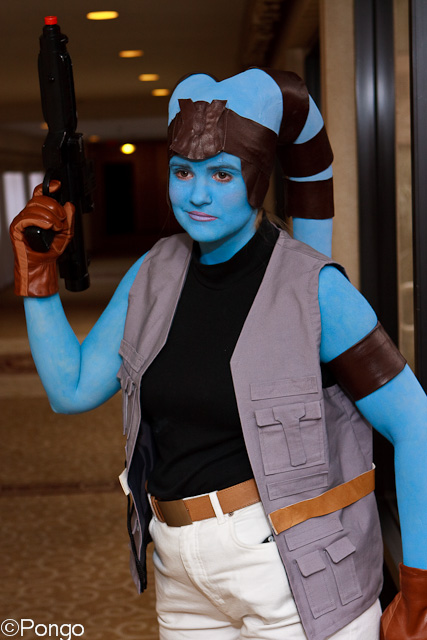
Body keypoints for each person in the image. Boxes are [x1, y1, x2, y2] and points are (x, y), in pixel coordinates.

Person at [9, 68, 427, 640]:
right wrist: (38, 276)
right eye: (182, 171)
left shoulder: (317, 289)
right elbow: (71, 390)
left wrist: (419, 588)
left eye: (222, 174)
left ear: (257, 181)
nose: (197, 195)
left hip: (296, 575)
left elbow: (415, 422)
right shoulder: (153, 272)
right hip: (181, 574)